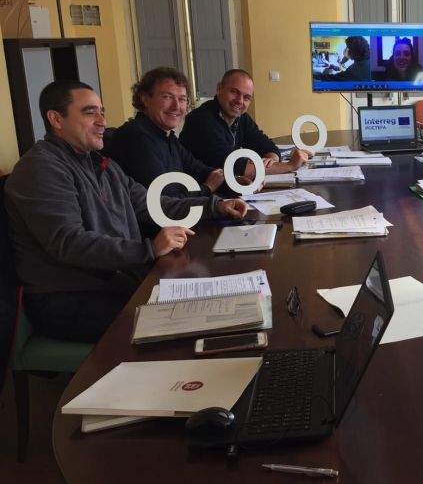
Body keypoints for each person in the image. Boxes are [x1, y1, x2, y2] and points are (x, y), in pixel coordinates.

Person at [3, 80, 249, 343]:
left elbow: (154, 204)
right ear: (56, 119)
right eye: (89, 112)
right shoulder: (40, 168)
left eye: (101, 112)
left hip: (116, 282)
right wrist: (149, 250)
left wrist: (216, 206)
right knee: (188, 326)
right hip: (70, 299)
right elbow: (68, 243)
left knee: (216, 306)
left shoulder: (101, 164)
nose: (101, 121)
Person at [104, 67, 225, 198]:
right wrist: (208, 188)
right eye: (167, 97)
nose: (177, 106)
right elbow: (165, 200)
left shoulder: (165, 135)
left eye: (182, 99)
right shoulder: (135, 137)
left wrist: (230, 180)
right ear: (145, 98)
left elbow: (196, 167)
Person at [180, 69, 309, 178]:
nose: (240, 101)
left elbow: (266, 145)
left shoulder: (241, 118)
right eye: (234, 92)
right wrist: (290, 166)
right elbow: (235, 167)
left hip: (226, 186)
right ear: (219, 88)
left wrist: (272, 160)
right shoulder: (201, 120)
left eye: (246, 97)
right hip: (198, 194)